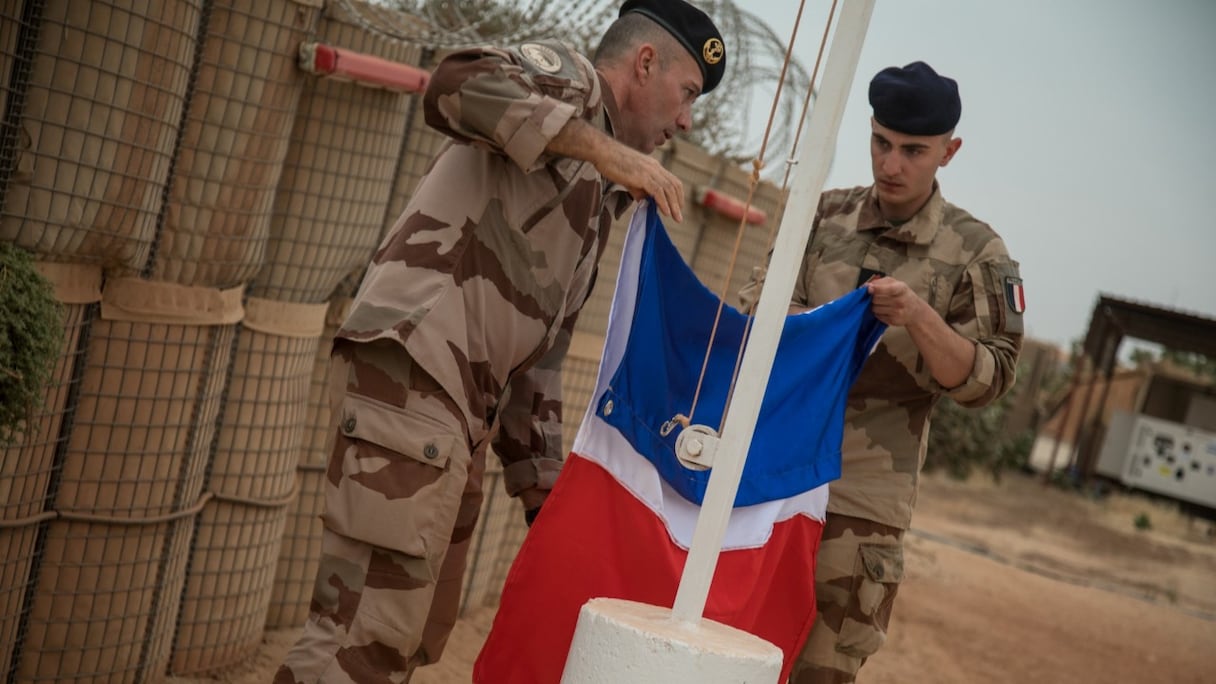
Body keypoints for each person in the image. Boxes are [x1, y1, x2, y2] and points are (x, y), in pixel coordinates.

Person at [275, 1, 725, 681]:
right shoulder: (569, 83)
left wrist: (546, 502)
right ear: (643, 63)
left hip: (458, 417)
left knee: (409, 638)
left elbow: (536, 365)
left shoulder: (596, 194)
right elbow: (455, 83)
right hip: (418, 383)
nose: (687, 120)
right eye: (688, 93)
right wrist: (610, 153)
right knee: (360, 639)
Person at [741, 61, 1025, 683]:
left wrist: (919, 317)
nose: (891, 164)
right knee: (733, 653)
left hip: (862, 503)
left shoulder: (977, 253)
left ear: (949, 152)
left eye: (913, 151)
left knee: (820, 671)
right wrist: (824, 321)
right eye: (881, 143)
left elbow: (990, 380)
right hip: (771, 479)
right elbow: (753, 311)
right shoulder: (822, 217)